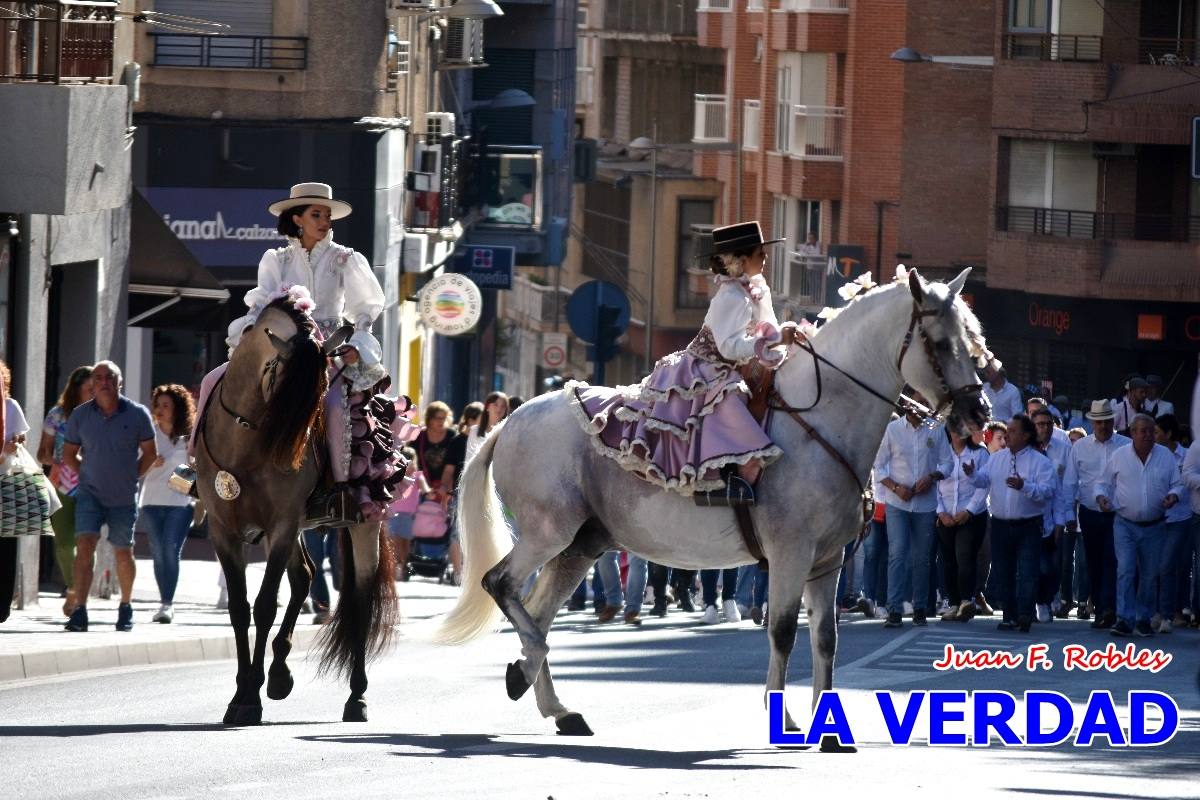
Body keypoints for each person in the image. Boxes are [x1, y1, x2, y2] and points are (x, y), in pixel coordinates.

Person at [190, 182, 396, 520]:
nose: (325, 221)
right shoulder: (276, 258)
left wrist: (357, 343)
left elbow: (366, 308)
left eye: (327, 215)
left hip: (326, 350)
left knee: (333, 406)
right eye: (317, 214)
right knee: (215, 379)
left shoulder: (345, 258)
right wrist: (248, 335)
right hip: (281, 348)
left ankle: (339, 490)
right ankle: (199, 465)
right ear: (297, 219)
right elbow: (262, 304)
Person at [569, 221, 800, 505]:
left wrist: (781, 339)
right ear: (742, 260)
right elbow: (729, 347)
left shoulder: (753, 290)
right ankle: (725, 481)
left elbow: (767, 326)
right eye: (759, 254)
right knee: (731, 401)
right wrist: (773, 340)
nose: (765, 259)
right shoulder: (731, 296)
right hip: (705, 368)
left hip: (730, 365)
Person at [62, 361, 156, 632]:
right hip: (89, 494)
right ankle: (79, 609)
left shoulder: (137, 414)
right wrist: (87, 473)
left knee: (124, 552)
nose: (103, 382)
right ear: (92, 383)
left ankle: (125, 606)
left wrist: (132, 475)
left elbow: (150, 452)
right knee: (85, 546)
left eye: (109, 377)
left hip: (123, 496)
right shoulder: (80, 415)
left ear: (119, 382)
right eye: (98, 377)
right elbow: (68, 454)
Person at [963, 414, 1056, 632]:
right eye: (1007, 431)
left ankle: (1024, 614)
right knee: (1003, 571)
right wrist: (972, 473)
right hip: (1001, 524)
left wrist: (1025, 486)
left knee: (1027, 571)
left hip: (1029, 525)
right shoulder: (996, 458)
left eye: (1013, 431)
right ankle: (1009, 615)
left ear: (1026, 435)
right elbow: (983, 480)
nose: (1007, 435)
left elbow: (1048, 491)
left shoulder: (1040, 461)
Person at [1096, 414, 1183, 637]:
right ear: (1132, 433)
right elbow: (1102, 483)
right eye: (1142, 431)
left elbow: (1178, 483)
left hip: (1155, 525)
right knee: (1125, 569)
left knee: (1149, 574)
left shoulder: (1166, 457)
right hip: (1124, 523)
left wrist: (1173, 496)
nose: (1147, 435)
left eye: (1151, 431)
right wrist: (1101, 498)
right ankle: (1124, 619)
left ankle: (1143, 618)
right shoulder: (1119, 456)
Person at [874, 401, 951, 628]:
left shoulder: (936, 429)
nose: (920, 408)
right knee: (897, 554)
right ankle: (894, 609)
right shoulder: (893, 429)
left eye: (925, 403)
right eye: (916, 403)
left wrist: (933, 476)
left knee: (923, 558)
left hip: (925, 503)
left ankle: (920, 608)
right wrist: (896, 488)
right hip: (897, 502)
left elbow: (947, 463)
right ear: (907, 405)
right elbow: (879, 466)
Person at [1062, 400, 1130, 630]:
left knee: (1112, 560)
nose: (1103, 426)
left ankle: (1109, 608)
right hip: (1089, 512)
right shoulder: (1080, 447)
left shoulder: (1125, 445)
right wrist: (1068, 513)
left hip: (1117, 513)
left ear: (1113, 421)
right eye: (1099, 422)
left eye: (1107, 421)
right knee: (1093, 562)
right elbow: (1070, 482)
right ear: (1092, 422)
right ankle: (1101, 607)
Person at [36, 365, 94, 616]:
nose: (95, 392)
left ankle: (78, 594)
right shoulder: (57, 416)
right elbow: (42, 453)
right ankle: (74, 587)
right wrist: (53, 460)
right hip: (60, 484)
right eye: (89, 388)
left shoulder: (102, 415)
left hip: (92, 484)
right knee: (63, 543)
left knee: (85, 542)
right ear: (76, 390)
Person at [139, 384, 196, 623]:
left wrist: (187, 474)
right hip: (150, 501)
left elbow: (199, 468)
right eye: (158, 405)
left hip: (180, 502)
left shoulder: (190, 437)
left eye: (166, 406)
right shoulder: (148, 434)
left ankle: (167, 604)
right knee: (159, 553)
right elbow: (136, 471)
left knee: (171, 550)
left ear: (178, 409)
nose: (160, 410)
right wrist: (151, 463)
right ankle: (163, 601)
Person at [936, 427, 989, 622]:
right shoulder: (940, 453)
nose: (958, 433)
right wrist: (941, 512)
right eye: (955, 427)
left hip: (971, 514)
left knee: (965, 555)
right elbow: (935, 484)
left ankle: (967, 600)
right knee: (948, 559)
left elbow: (985, 484)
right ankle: (954, 603)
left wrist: (969, 511)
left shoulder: (980, 453)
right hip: (946, 514)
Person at [1032, 407, 1072, 623]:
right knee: (1036, 565)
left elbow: (1065, 487)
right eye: (1040, 424)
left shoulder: (1063, 449)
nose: (1044, 428)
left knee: (1053, 566)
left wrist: (1062, 520)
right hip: (1030, 517)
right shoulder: (1027, 449)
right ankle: (1037, 602)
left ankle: (1047, 598)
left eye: (1048, 424)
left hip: (1054, 515)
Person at [1152, 414, 1191, 632]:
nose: (1153, 436)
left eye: (1157, 432)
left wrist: (1174, 496)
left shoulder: (1185, 456)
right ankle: (1162, 611)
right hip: (1158, 518)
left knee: (1175, 566)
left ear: (1168, 434)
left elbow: (1184, 482)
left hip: (1180, 518)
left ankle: (1173, 611)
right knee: (1160, 566)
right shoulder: (1154, 455)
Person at [387, 445, 429, 576]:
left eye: (411, 459)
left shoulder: (417, 476)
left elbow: (426, 489)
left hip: (409, 514)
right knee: (395, 541)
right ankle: (396, 566)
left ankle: (403, 566)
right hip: (393, 511)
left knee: (405, 542)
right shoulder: (394, 473)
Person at [465, 392, 509, 463]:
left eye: (503, 406)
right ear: (487, 407)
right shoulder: (475, 431)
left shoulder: (508, 432)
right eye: (495, 404)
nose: (499, 408)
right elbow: (469, 459)